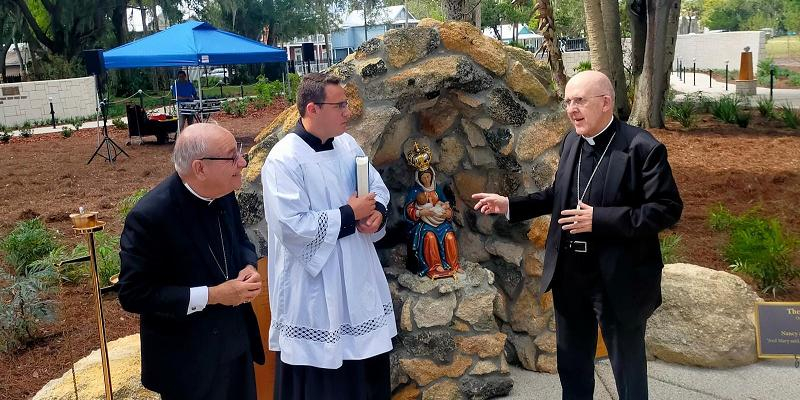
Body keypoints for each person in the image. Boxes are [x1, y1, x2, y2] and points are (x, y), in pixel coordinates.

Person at [472, 70, 683, 400]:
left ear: (605, 102)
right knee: (572, 365)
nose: (571, 109)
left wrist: (600, 219)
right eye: (568, 101)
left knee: (627, 368)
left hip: (618, 276)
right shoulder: (572, 142)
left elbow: (666, 209)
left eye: (580, 101)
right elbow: (557, 195)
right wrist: (510, 205)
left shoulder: (642, 148)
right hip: (570, 273)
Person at [261, 72, 396, 400]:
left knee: (366, 370)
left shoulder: (347, 144)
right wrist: (350, 214)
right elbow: (291, 226)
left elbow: (376, 187)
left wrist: (377, 212)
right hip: (315, 288)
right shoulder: (284, 159)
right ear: (313, 109)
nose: (348, 112)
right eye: (340, 106)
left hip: (358, 279)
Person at [119, 123, 265, 400]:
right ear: (200, 168)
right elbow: (133, 294)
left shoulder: (224, 193)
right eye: (232, 156)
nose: (242, 162)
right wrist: (212, 295)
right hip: (187, 364)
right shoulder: (150, 216)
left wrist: (248, 267)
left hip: (237, 346)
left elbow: (241, 241)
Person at [404, 166, 460, 278]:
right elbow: (408, 210)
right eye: (423, 178)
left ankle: (453, 265)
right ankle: (435, 266)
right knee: (430, 237)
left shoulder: (437, 189)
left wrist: (448, 214)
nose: (426, 180)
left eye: (428, 177)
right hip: (424, 223)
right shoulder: (415, 192)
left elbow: (446, 205)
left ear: (432, 176)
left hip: (440, 221)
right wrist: (421, 213)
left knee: (450, 236)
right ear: (419, 179)